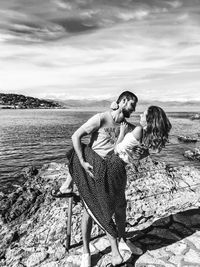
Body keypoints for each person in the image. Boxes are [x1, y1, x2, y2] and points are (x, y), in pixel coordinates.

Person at [68, 104, 171, 267]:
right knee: (117, 207)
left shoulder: (138, 130)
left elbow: (117, 149)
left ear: (150, 120)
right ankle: (120, 242)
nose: (140, 115)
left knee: (101, 208)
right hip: (121, 170)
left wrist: (122, 133)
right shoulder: (151, 139)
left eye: (144, 114)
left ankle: (114, 253)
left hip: (111, 167)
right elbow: (138, 155)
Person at [67, 91, 145, 267]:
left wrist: (139, 154)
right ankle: (86, 252)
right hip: (95, 173)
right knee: (89, 212)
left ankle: (123, 241)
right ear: (123, 101)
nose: (133, 109)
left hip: (116, 174)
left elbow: (132, 150)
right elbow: (76, 136)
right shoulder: (101, 118)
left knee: (120, 209)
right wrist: (82, 161)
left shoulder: (129, 127)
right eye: (132, 105)